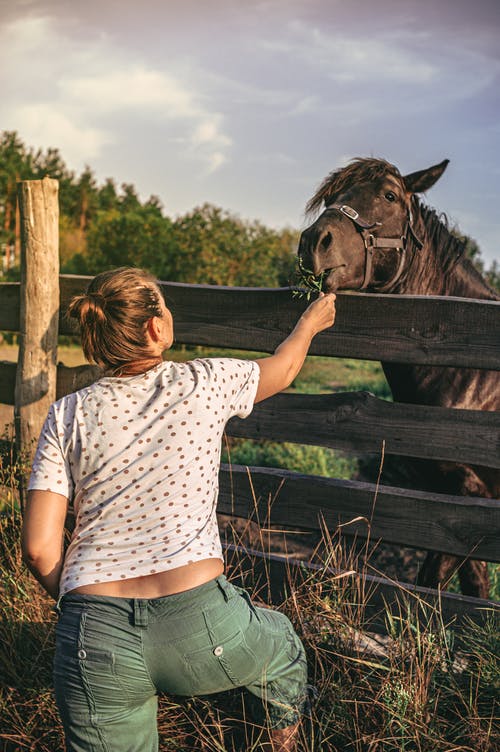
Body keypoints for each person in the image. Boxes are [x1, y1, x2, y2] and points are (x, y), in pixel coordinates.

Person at [21, 267, 336, 752]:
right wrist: (311, 322)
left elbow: (40, 551)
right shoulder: (205, 381)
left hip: (93, 634)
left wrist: (88, 616)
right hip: (204, 625)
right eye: (165, 306)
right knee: (282, 647)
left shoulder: (66, 414)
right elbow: (284, 368)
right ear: (155, 329)